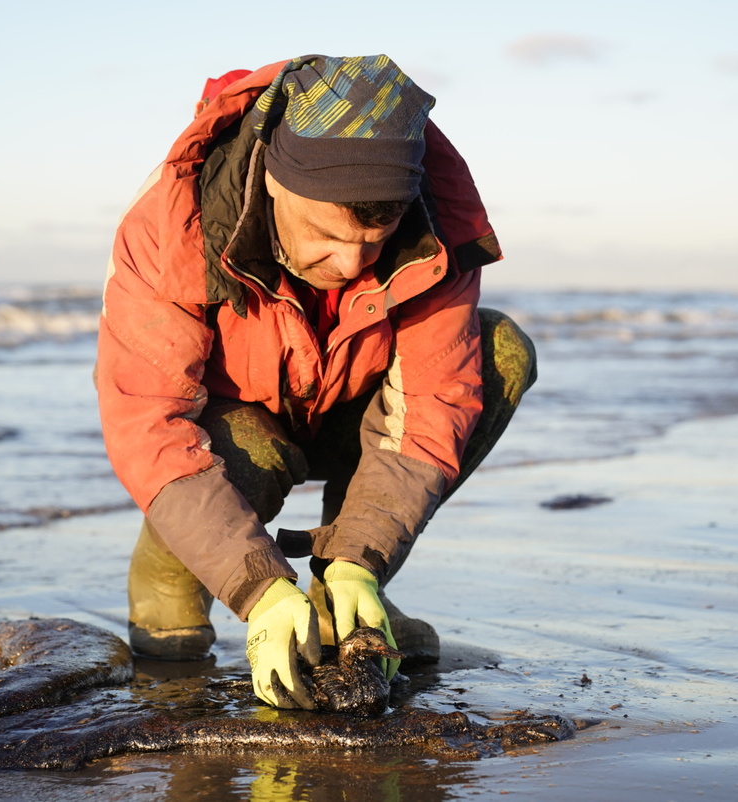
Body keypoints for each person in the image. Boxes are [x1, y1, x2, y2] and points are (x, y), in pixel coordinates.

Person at [95, 54, 536, 710]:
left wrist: (360, 557)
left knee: (500, 353)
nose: (352, 262)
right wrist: (259, 588)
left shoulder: (436, 226)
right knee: (174, 644)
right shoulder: (171, 221)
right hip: (233, 428)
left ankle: (345, 597)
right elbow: (149, 421)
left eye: (374, 237)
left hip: (350, 416)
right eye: (327, 234)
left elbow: (435, 399)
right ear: (275, 182)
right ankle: (174, 583)